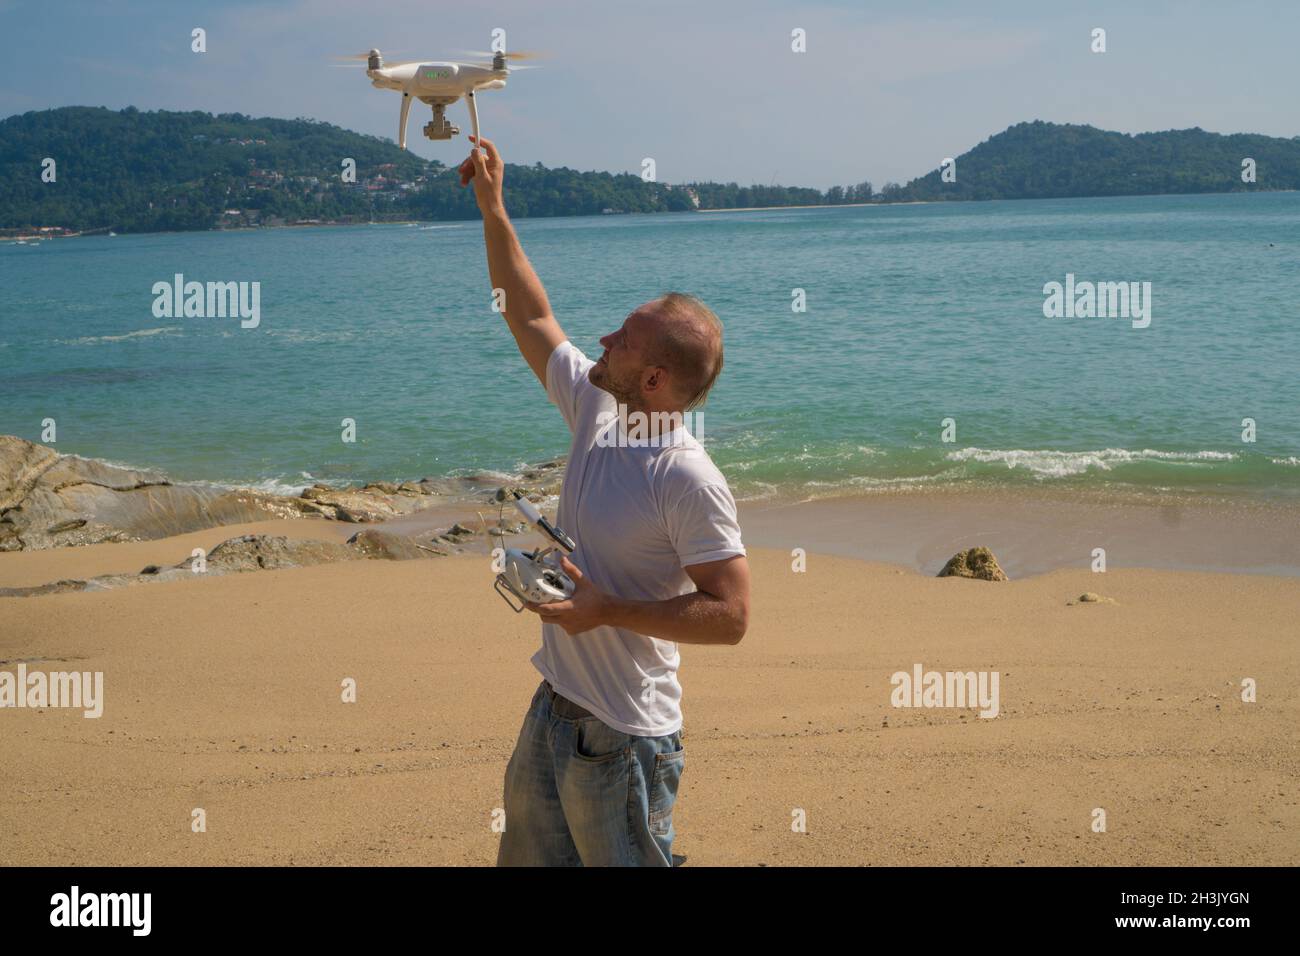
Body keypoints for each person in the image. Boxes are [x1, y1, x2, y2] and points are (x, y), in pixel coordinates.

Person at [460, 136, 751, 867]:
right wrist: (494, 207)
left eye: (623, 339)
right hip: (555, 703)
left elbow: (734, 617)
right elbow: (529, 317)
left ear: (653, 379)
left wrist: (608, 611)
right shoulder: (598, 405)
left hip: (625, 737)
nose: (603, 338)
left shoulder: (685, 478)